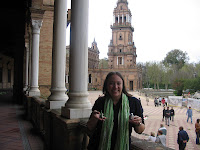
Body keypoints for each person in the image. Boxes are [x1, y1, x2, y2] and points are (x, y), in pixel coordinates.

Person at [87, 72, 145, 150]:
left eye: (118, 83)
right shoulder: (100, 102)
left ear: (122, 85)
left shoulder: (133, 102)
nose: (115, 87)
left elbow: (140, 130)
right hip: (98, 146)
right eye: (111, 83)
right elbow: (89, 128)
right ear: (106, 86)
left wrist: (138, 123)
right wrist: (94, 118)